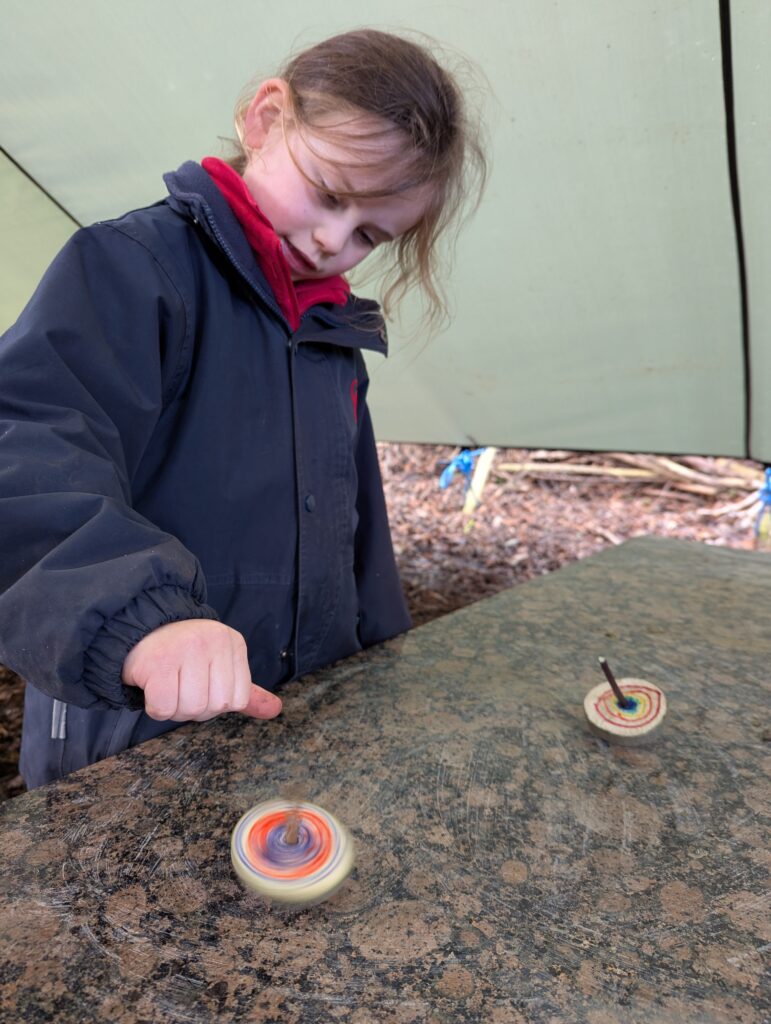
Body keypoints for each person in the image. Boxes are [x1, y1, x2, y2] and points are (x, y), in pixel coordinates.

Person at [0, 29, 487, 788]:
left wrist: (385, 669)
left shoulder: (332, 337)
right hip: (128, 741)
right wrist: (143, 622)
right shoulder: (132, 271)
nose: (331, 240)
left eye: (368, 234)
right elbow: (26, 448)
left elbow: (357, 533)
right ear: (265, 119)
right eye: (327, 193)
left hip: (285, 734)